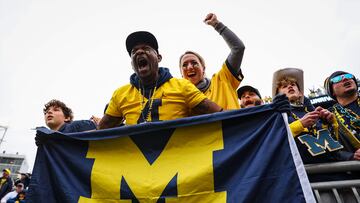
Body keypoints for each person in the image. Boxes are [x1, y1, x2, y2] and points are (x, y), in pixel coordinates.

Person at [99, 31, 222, 128]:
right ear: (132, 64)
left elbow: (220, 114)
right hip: (138, 158)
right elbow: (100, 131)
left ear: (158, 58)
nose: (139, 52)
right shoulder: (120, 94)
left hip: (176, 157)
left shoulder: (182, 86)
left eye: (146, 49)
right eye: (134, 51)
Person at [272, 68, 353, 168]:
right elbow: (273, 140)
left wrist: (331, 123)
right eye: (284, 86)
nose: (290, 86)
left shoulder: (314, 113)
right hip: (308, 175)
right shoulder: (276, 115)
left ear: (301, 93)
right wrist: (300, 124)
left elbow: (334, 147)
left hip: (336, 170)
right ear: (277, 95)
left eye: (293, 85)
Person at [179, 13, 245, 110]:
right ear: (181, 74)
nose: (189, 67)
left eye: (194, 63)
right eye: (184, 65)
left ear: (203, 68)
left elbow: (238, 49)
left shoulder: (223, 79)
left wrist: (217, 25)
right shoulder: (179, 100)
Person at [324, 71, 360, 160]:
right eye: (337, 79)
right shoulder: (328, 117)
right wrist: (351, 156)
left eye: (349, 76)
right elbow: (328, 148)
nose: (345, 78)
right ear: (332, 92)